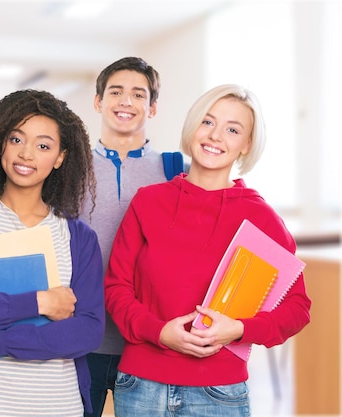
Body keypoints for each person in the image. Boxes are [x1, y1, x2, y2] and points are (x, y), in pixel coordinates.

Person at [104, 84, 311, 416]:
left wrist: (240, 329)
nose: (216, 136)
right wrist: (157, 332)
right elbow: (116, 288)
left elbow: (298, 308)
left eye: (232, 129)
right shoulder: (148, 201)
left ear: (245, 145)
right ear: (194, 127)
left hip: (218, 393)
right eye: (208, 122)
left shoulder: (260, 217)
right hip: (141, 386)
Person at [0, 89, 105, 416]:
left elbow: (87, 331)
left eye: (43, 145)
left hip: (58, 407)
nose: (26, 154)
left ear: (60, 158)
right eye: (16, 139)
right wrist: (40, 302)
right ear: (0, 144)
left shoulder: (79, 237)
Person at [79, 56, 185, 417]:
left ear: (152, 108)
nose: (126, 101)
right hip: (82, 339)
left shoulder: (175, 171)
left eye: (138, 94)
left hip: (146, 343)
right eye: (116, 92)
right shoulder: (70, 167)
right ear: (98, 102)